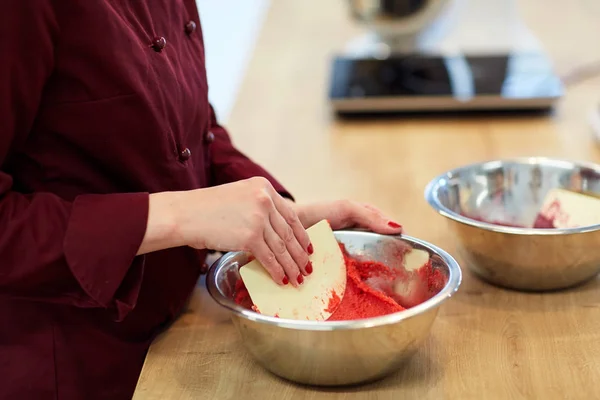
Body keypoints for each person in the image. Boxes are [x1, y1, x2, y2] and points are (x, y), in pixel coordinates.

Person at [0, 1, 403, 399]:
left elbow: (189, 126)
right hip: (73, 367)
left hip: (177, 330)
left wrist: (276, 217)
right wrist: (177, 216)